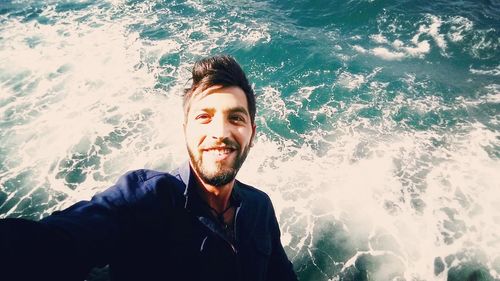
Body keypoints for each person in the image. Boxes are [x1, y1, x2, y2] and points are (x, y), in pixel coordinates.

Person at [0, 55, 298, 281]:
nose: (220, 131)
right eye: (204, 117)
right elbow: (52, 245)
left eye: (236, 118)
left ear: (252, 134)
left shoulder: (260, 206)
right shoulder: (145, 199)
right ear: (185, 131)